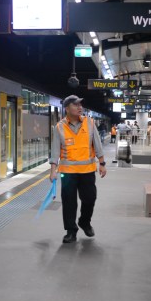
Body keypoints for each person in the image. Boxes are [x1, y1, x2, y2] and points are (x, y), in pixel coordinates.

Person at [49, 95, 107, 243]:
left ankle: (84, 221)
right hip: (68, 173)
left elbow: (97, 144)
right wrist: (53, 170)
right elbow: (55, 150)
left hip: (87, 170)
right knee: (69, 203)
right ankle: (71, 231)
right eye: (76, 105)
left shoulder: (89, 123)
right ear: (67, 108)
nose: (80, 107)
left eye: (81, 104)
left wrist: (102, 163)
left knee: (90, 198)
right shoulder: (59, 127)